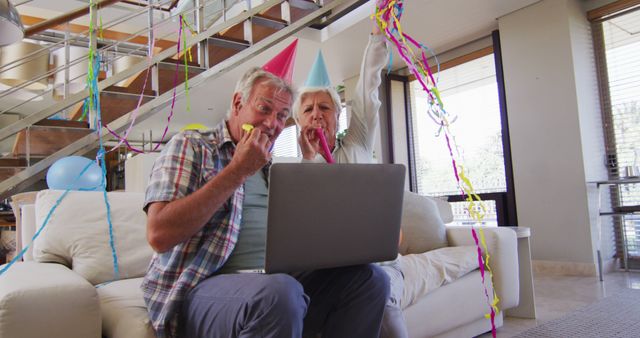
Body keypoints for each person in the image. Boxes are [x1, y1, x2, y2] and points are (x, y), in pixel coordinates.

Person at [141, 65, 390, 338]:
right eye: (264, 109)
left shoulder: (273, 169)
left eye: (282, 116)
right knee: (280, 292)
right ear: (238, 103)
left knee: (370, 279)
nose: (272, 123)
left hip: (276, 282)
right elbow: (159, 234)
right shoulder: (192, 146)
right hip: (202, 288)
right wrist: (238, 170)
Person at [294, 24, 409, 338]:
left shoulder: (357, 142)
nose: (316, 114)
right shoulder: (298, 169)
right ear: (299, 121)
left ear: (337, 116)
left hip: (378, 264)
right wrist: (309, 161)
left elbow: (368, 89)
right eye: (308, 109)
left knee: (383, 301)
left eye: (324, 107)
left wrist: (377, 36)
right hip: (332, 271)